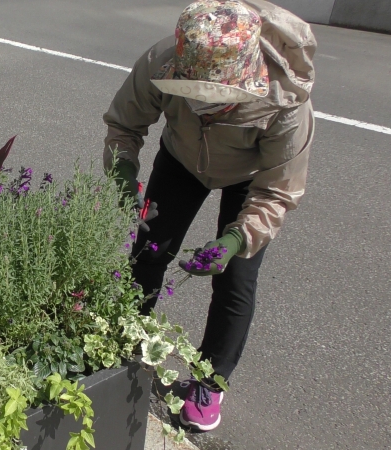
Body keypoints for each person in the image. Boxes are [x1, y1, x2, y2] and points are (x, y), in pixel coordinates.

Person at [104, 0, 315, 432]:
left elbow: (277, 192)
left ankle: (210, 381)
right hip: (182, 157)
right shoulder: (162, 61)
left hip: (249, 175)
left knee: (235, 278)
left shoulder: (285, 101)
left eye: (216, 100)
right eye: (191, 95)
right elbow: (124, 125)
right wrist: (123, 172)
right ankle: (127, 342)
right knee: (149, 248)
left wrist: (235, 241)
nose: (202, 107)